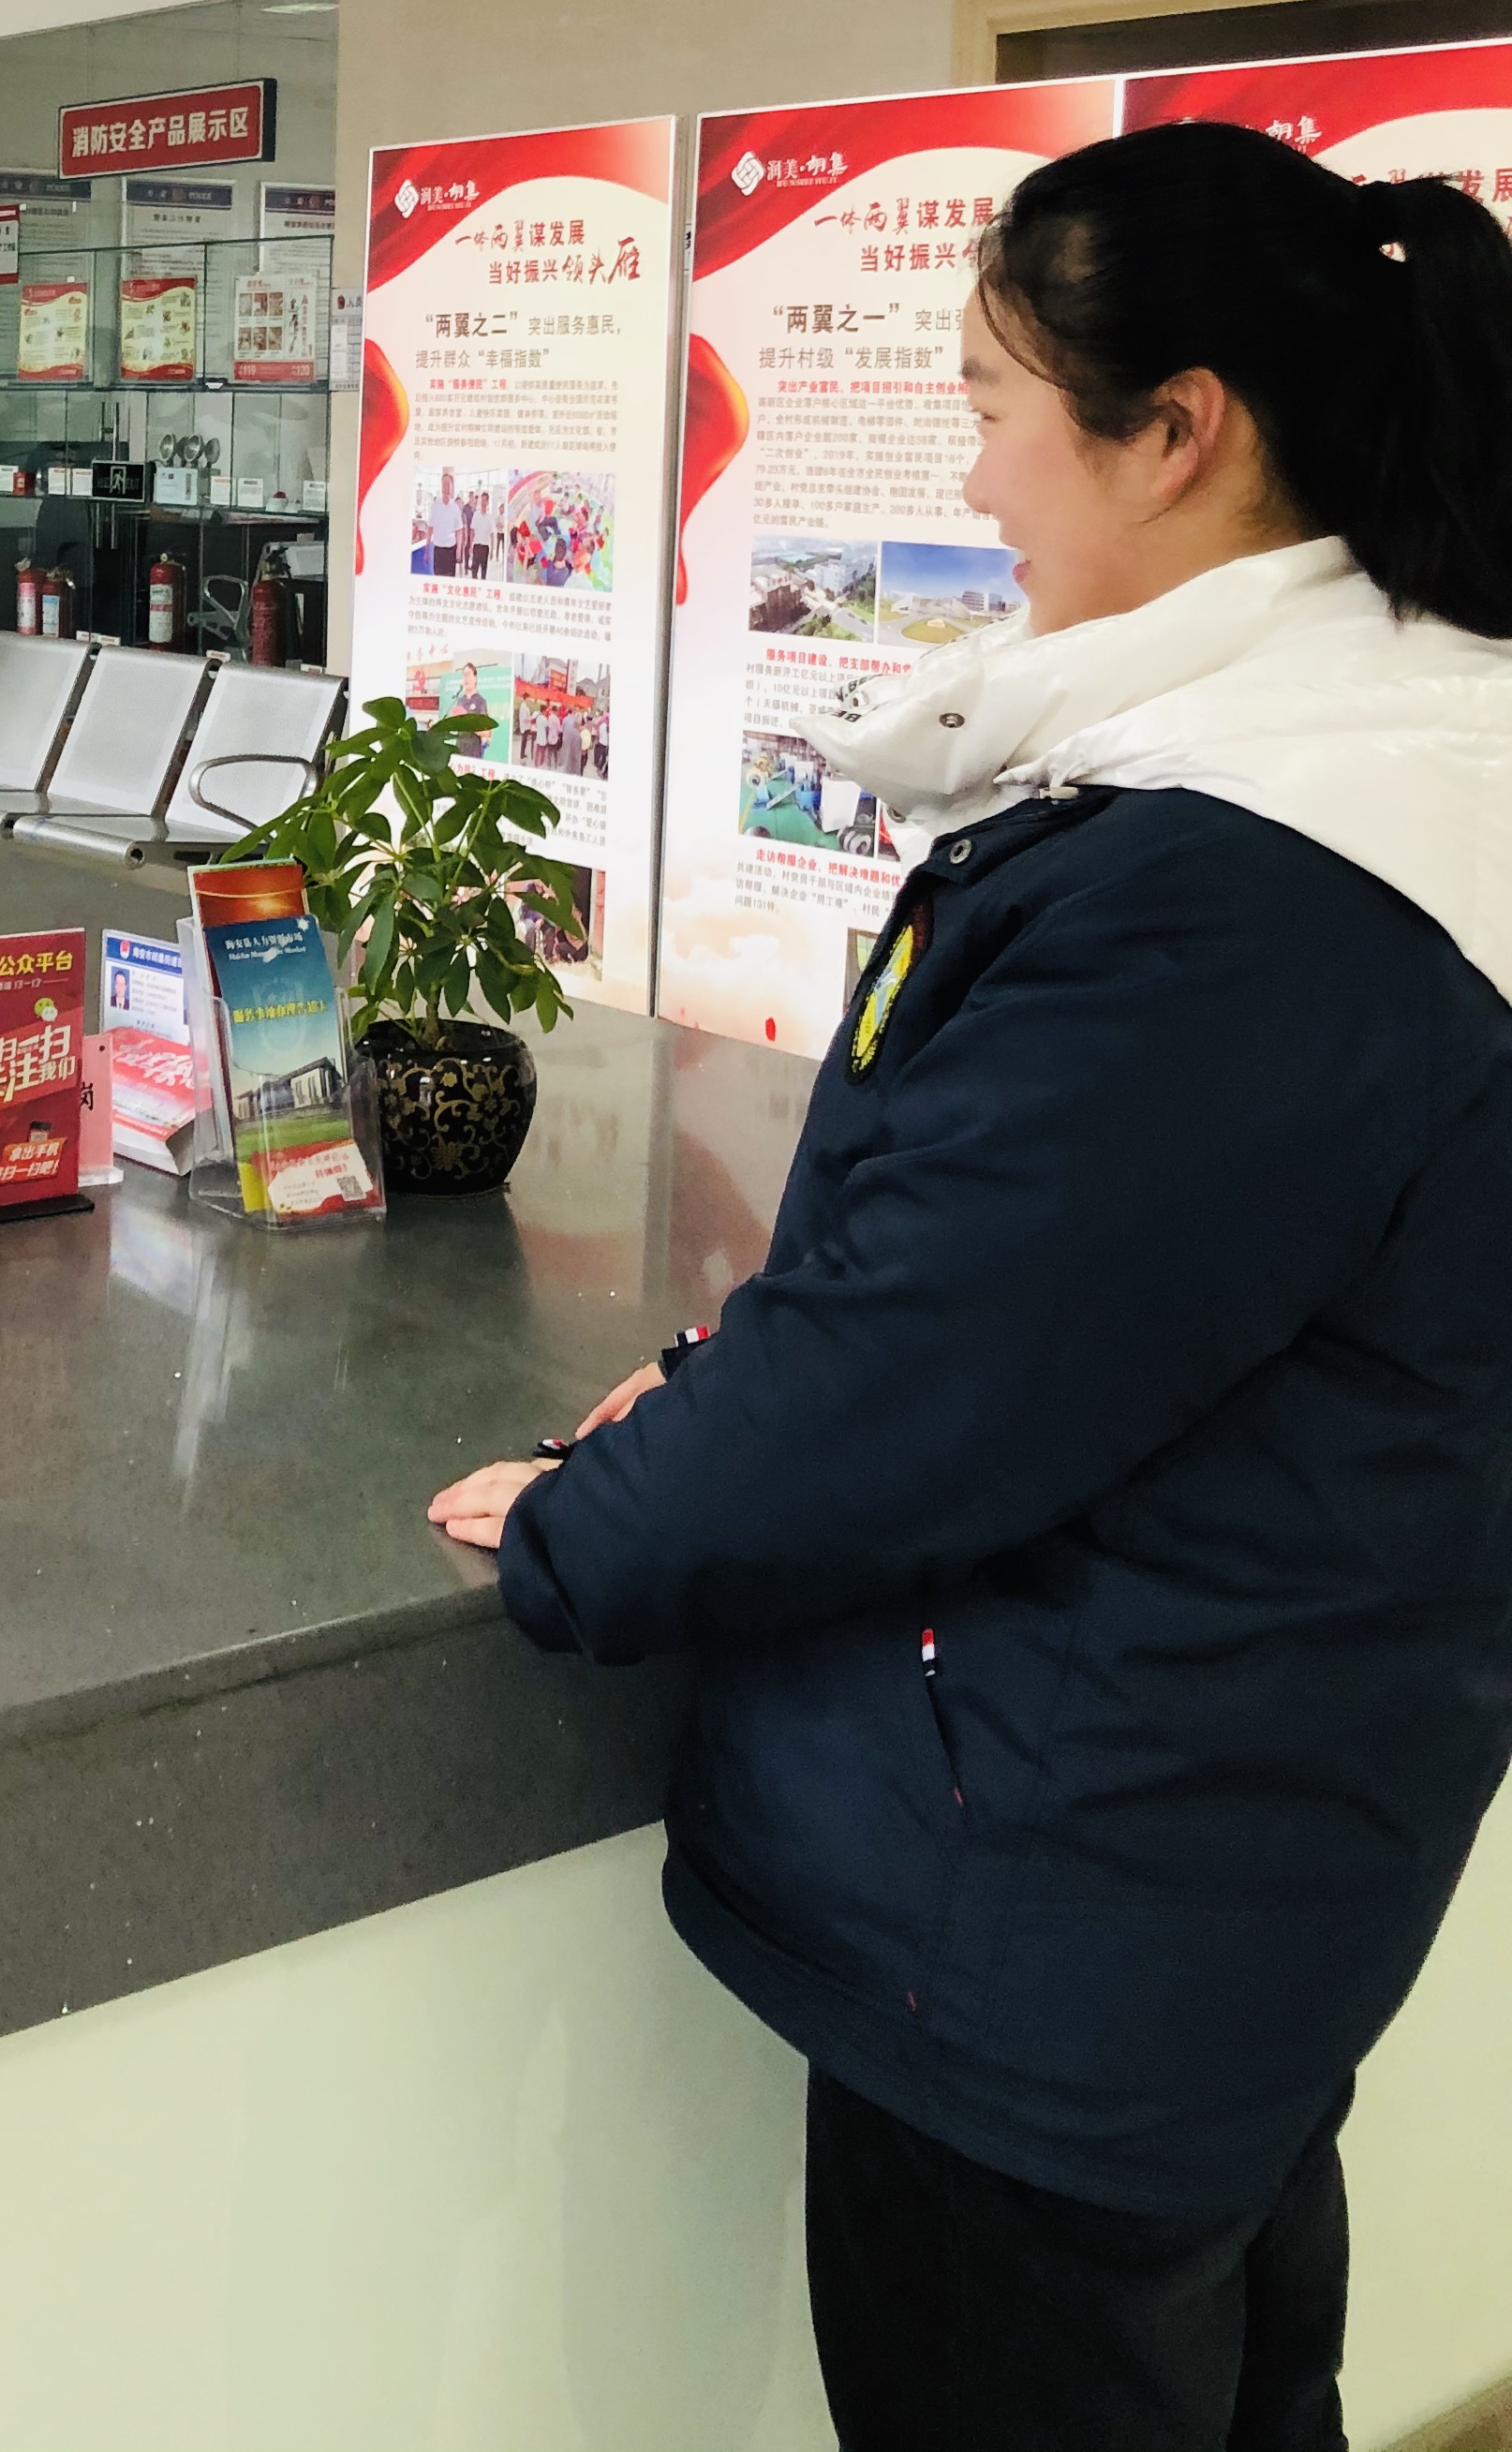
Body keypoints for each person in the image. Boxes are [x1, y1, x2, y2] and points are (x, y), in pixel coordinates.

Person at [430, 120, 1512, 2452]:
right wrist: (719, 1369)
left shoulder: (1243, 884)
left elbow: (931, 1367)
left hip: (1065, 1918)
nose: (973, 470)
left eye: (999, 403)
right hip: (1235, 1863)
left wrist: (586, 1529)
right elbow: (1069, 1279)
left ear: (1179, 430)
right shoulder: (1393, 766)